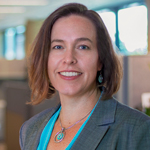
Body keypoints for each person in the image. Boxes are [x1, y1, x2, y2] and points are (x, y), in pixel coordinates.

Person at [19, 3, 150, 150]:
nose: (69, 59)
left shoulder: (137, 131)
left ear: (101, 59)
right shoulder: (30, 129)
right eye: (58, 47)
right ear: (45, 58)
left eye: (82, 47)